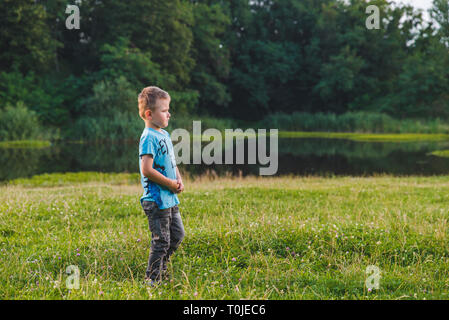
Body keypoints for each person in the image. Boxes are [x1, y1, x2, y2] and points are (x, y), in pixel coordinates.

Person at [137, 86, 185, 286]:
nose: (169, 113)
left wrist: (178, 179)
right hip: (156, 200)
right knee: (161, 240)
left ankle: (160, 266)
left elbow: (170, 162)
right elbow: (146, 169)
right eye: (164, 110)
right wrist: (169, 184)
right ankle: (152, 279)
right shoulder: (148, 137)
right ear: (149, 114)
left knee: (177, 235)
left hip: (170, 197)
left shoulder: (163, 134)